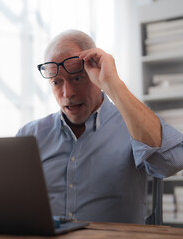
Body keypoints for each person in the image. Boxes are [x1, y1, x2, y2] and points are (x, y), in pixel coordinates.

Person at [16, 29, 183, 224]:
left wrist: (112, 83)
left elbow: (171, 164)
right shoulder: (30, 135)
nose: (67, 93)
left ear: (95, 72)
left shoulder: (134, 126)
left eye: (77, 78)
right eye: (56, 82)